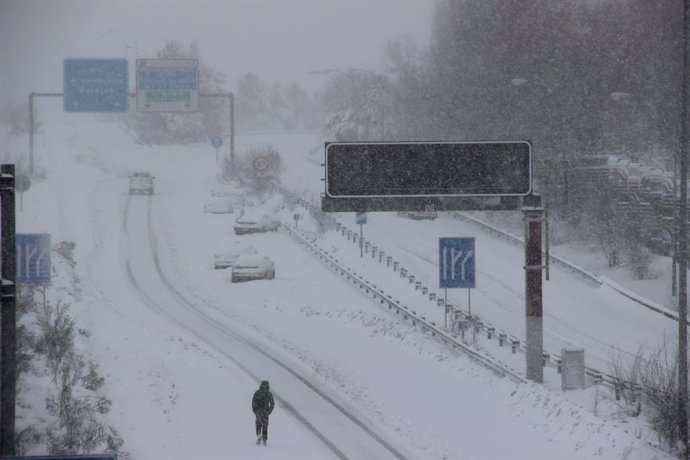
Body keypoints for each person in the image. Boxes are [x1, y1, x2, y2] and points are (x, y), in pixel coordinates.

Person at [252, 380, 275, 446]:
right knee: (265, 426)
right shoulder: (269, 394)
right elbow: (272, 403)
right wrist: (269, 411)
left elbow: (253, 401)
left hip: (258, 411)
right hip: (265, 412)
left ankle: (259, 435)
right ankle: (264, 439)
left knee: (258, 424)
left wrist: (255, 410)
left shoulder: (257, 392)